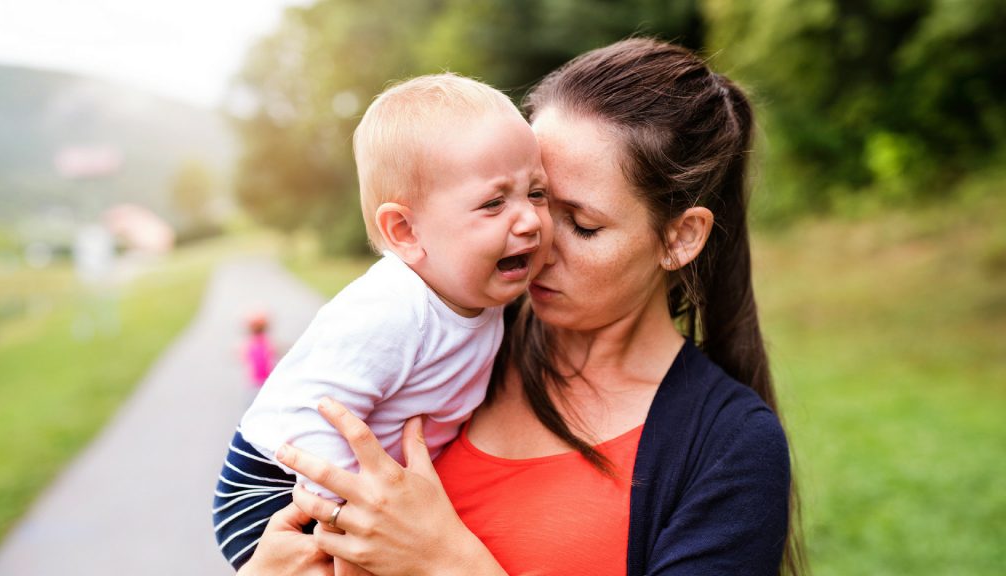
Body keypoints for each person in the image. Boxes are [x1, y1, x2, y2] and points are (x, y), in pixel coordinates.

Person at [231, 37, 807, 576]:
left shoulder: (730, 448)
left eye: (581, 224)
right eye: (527, 197)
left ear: (680, 237)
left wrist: (447, 563)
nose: (532, 236)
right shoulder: (456, 337)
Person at [213, 73, 552, 569]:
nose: (529, 221)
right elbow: (319, 415)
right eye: (494, 202)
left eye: (537, 193)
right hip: (273, 485)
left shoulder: (485, 292)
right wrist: (352, 513)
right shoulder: (393, 309)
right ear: (405, 231)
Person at [243, 311, 275, 389]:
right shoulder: (266, 342)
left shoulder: (250, 343)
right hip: (266, 378)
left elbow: (245, 357)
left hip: (255, 379)